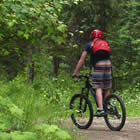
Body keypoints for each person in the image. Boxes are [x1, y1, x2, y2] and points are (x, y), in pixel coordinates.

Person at [72, 29, 112, 116]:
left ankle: (100, 109)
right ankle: (107, 106)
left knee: (98, 87)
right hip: (108, 64)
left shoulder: (89, 44)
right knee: (107, 87)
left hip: (99, 65)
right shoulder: (104, 43)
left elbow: (82, 59)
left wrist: (75, 72)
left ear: (92, 36)